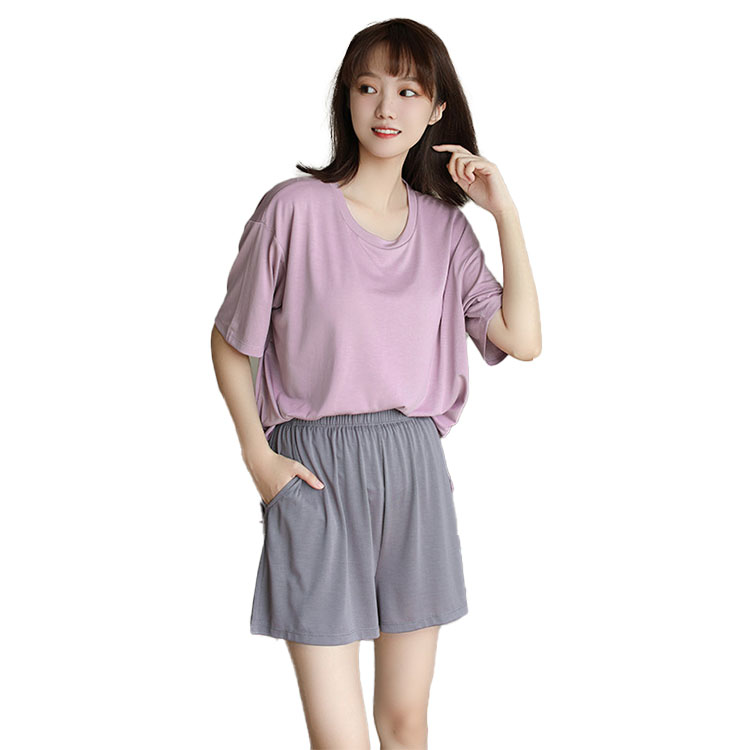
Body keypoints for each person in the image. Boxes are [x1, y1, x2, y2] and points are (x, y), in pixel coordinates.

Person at [210, 17, 541, 750]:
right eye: (368, 88)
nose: (386, 107)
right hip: (314, 470)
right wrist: (258, 458)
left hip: (413, 467)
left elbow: (522, 340)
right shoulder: (293, 209)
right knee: (340, 738)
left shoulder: (447, 230)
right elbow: (231, 343)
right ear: (347, 99)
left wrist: (505, 213)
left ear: (437, 109)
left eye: (408, 91)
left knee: (405, 722)